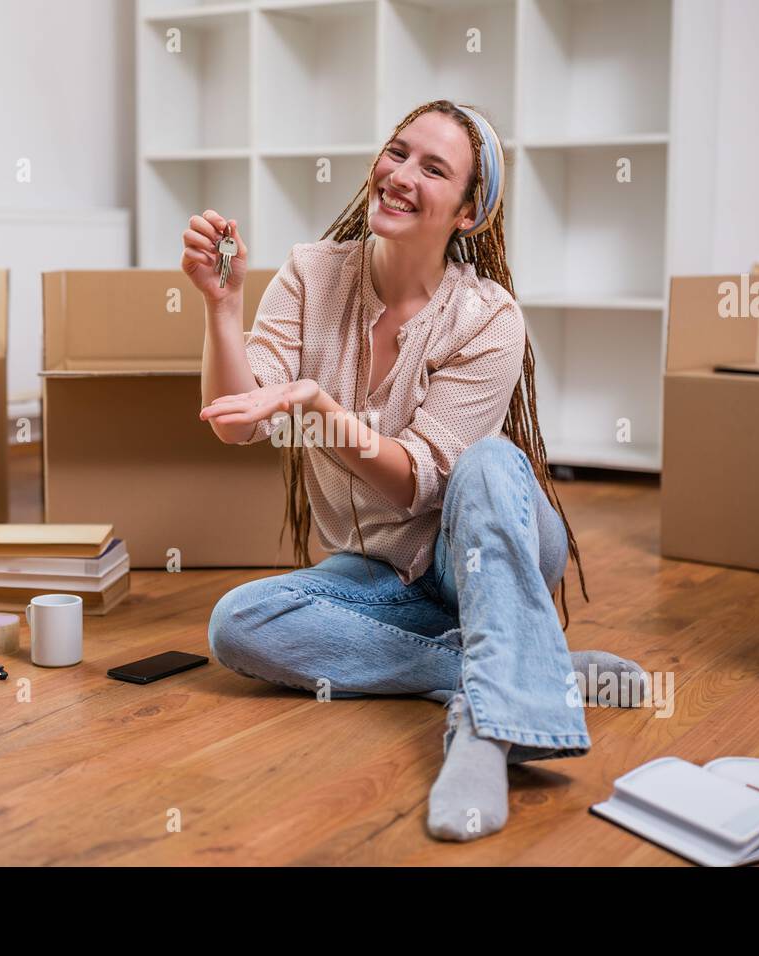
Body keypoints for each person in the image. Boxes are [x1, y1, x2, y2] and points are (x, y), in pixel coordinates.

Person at [181, 99, 645, 842]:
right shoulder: (309, 275)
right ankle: (510, 666)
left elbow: (419, 480)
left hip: (485, 551)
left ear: (468, 214)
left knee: (492, 461)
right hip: (377, 574)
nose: (400, 175)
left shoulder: (488, 317)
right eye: (397, 152)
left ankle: (483, 728)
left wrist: (317, 406)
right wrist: (223, 307)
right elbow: (239, 420)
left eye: (433, 168)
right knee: (238, 624)